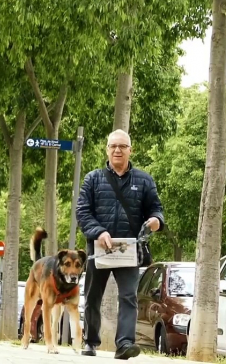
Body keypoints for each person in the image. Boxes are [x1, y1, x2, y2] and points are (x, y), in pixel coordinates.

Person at [75, 129, 165, 359]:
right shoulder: (92, 179)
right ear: (107, 149)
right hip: (99, 249)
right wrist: (99, 232)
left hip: (128, 249)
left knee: (128, 296)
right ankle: (90, 342)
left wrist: (156, 221)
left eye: (122, 146)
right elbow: (82, 212)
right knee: (93, 295)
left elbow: (156, 208)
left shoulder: (144, 180)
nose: (117, 150)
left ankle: (124, 344)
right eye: (113, 146)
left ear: (130, 150)